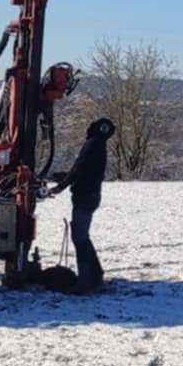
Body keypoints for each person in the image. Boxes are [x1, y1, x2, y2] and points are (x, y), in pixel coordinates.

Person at [51, 118, 115, 293]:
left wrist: (62, 185)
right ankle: (95, 275)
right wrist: (66, 177)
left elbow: (80, 167)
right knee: (82, 236)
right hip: (92, 195)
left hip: (84, 195)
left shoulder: (92, 144)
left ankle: (85, 282)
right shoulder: (100, 145)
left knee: (79, 237)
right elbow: (86, 169)